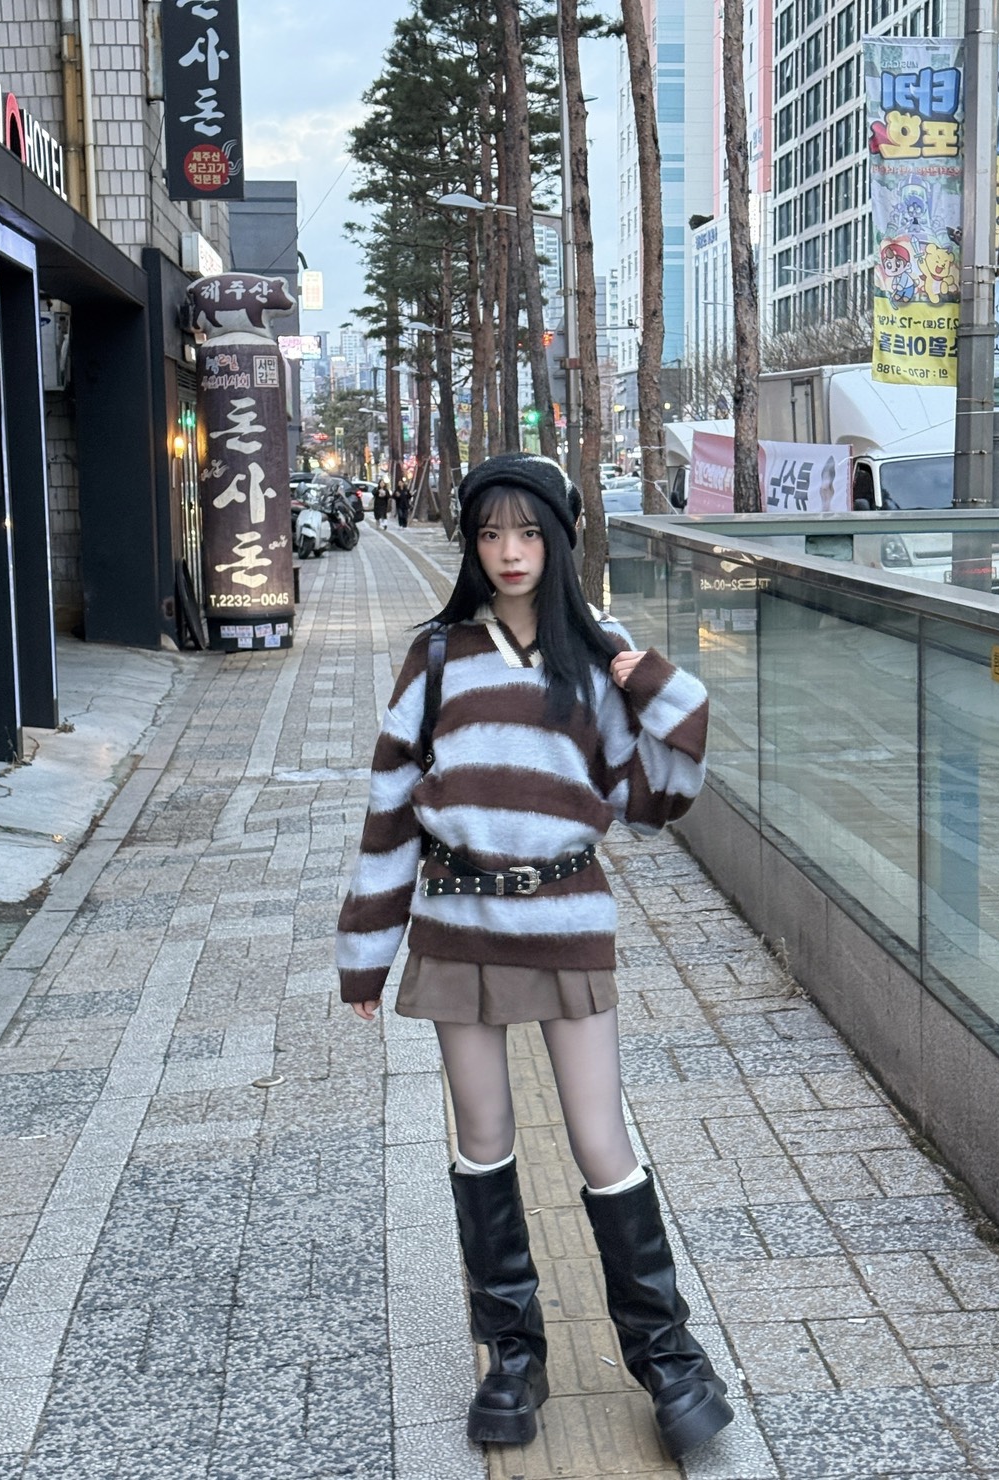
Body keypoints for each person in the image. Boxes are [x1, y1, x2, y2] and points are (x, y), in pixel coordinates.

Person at [335, 452, 733, 1459]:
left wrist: (662, 686)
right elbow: (388, 813)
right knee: (482, 1138)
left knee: (601, 1140)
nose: (508, 553)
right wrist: (364, 954)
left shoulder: (596, 655)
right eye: (489, 534)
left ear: (558, 538)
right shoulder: (436, 657)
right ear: (471, 545)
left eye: (526, 533)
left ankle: (669, 1360)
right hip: (458, 922)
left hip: (566, 918)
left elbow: (654, 801)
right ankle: (512, 1357)